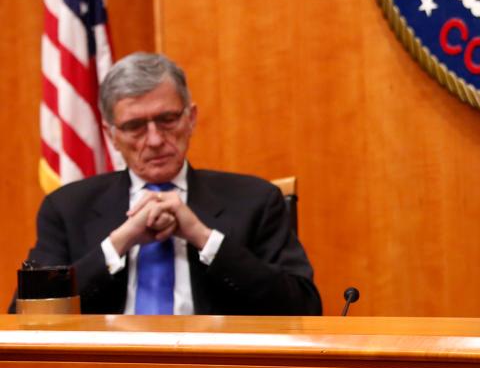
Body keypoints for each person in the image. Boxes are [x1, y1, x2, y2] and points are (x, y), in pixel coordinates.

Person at [17, 52, 320, 315]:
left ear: (191, 118)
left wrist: (204, 238)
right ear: (111, 134)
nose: (155, 140)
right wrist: (117, 245)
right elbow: (27, 315)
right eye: (135, 126)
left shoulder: (256, 200)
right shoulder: (68, 208)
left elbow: (303, 308)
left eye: (167, 120)